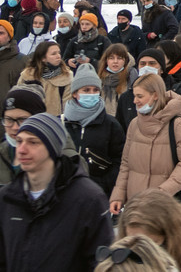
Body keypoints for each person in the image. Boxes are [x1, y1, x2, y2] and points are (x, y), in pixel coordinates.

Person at [0, 113, 113, 271]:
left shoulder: (88, 199)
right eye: (19, 141)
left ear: (52, 148)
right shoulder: (8, 198)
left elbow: (101, 263)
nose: (22, 149)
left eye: (33, 142)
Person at [110, 72, 181, 214]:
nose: (135, 101)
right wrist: (118, 194)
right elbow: (126, 164)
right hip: (136, 207)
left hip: (164, 209)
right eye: (134, 96)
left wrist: (162, 192)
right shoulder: (134, 124)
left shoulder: (178, 126)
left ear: (155, 95)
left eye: (140, 96)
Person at [117, 190, 181, 272]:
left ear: (170, 236)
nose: (141, 252)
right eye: (132, 242)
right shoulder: (118, 265)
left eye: (152, 244)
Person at [62, 63, 125, 196]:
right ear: (74, 93)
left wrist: (104, 184)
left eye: (95, 90)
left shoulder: (111, 124)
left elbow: (120, 160)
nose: (91, 94)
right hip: (65, 192)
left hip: (97, 193)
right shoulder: (61, 123)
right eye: (86, 90)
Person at [0, 87, 47, 186]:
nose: (15, 127)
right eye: (9, 119)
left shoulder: (64, 157)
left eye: (22, 120)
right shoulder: (3, 153)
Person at [19, 39, 71, 116]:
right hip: (31, 120)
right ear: (43, 58)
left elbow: (67, 104)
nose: (58, 56)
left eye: (59, 53)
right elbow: (20, 99)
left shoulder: (66, 76)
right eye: (53, 54)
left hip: (55, 121)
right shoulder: (27, 75)